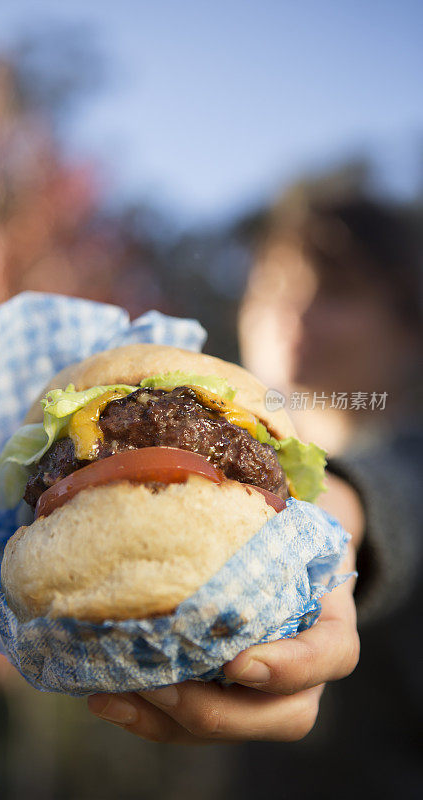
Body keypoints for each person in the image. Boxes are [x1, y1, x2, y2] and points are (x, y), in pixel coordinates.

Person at [87, 190, 423, 798]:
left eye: (337, 292)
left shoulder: (406, 466)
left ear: (409, 332)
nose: (292, 317)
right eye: (272, 290)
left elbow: (392, 496)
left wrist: (331, 533)